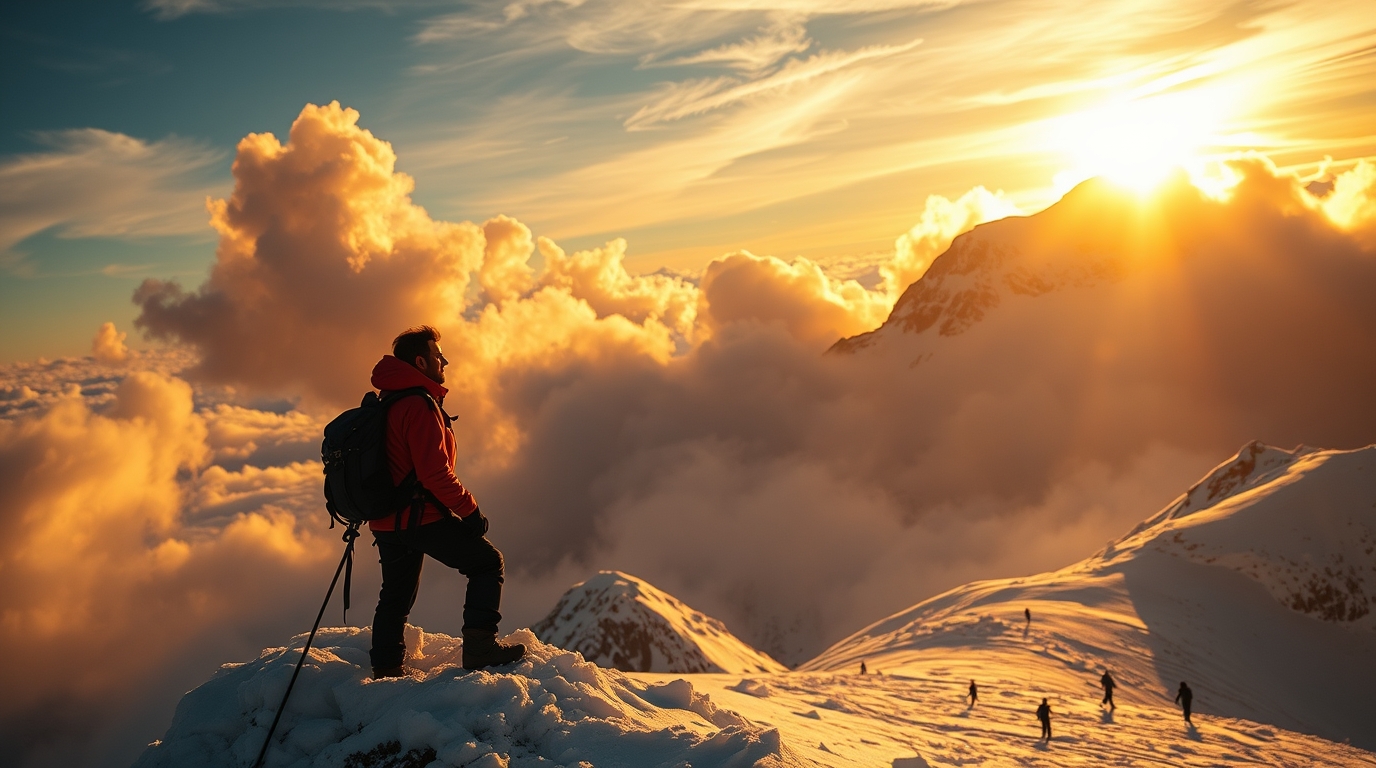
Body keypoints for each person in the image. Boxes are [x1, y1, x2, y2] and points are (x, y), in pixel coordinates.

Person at [368, 326, 525, 677]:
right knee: (487, 563)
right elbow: (434, 474)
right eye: (439, 356)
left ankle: (386, 667)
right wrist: (470, 511)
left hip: (385, 519)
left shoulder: (390, 398)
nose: (445, 362)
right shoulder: (417, 405)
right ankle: (481, 649)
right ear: (421, 361)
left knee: (395, 594)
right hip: (418, 517)